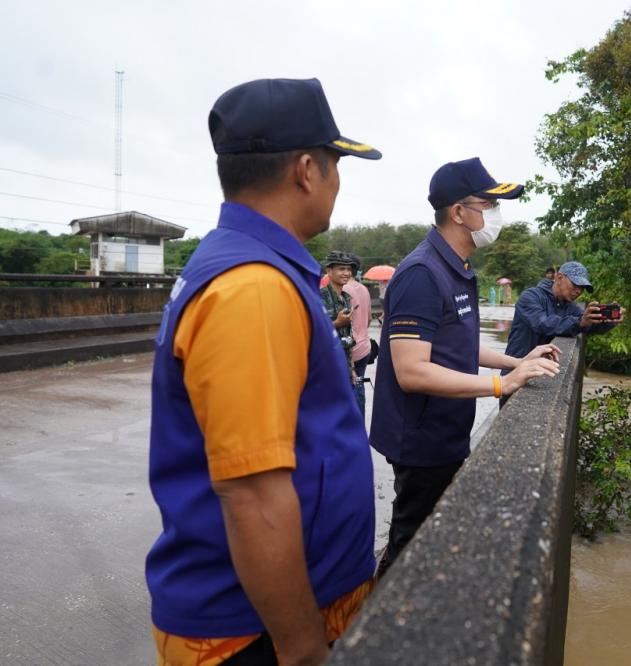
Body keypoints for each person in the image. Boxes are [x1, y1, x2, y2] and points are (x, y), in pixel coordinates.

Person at [145, 77, 381, 666]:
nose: (337, 182)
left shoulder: (259, 268)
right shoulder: (252, 287)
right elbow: (252, 492)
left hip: (276, 614)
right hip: (251, 633)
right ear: (306, 170)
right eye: (335, 165)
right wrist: (302, 647)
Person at [369, 157, 561, 576]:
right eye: (488, 205)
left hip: (447, 430)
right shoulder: (422, 273)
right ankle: (380, 632)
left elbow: (459, 345)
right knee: (411, 546)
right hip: (421, 438)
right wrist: (501, 385)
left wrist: (518, 361)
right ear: (459, 212)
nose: (496, 215)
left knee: (432, 538)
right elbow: (412, 370)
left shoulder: (458, 269)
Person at [504, 261, 623, 362]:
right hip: (515, 367)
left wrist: (610, 321)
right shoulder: (530, 296)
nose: (578, 291)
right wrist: (580, 322)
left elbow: (588, 326)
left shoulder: (570, 307)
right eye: (575, 284)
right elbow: (544, 324)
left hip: (540, 370)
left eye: (582, 288)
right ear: (559, 278)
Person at [343, 252, 373, 414]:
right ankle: (360, 426)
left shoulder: (344, 290)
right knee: (359, 384)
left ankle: (353, 427)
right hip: (365, 347)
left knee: (350, 388)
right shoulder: (364, 289)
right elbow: (368, 319)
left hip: (351, 349)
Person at [320, 250, 357, 381]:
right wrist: (336, 323)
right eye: (341, 269)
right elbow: (312, 331)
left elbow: (348, 336)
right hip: (327, 367)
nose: (346, 273)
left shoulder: (346, 298)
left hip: (344, 367)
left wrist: (352, 369)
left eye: (348, 269)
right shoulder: (319, 297)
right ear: (329, 271)